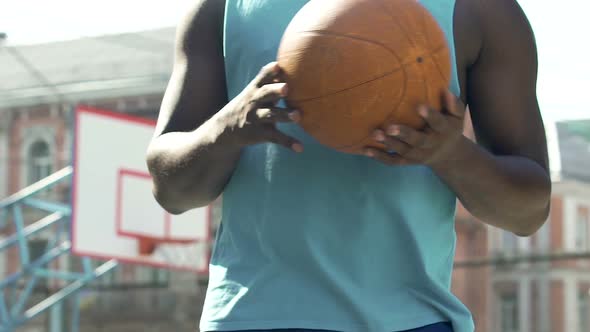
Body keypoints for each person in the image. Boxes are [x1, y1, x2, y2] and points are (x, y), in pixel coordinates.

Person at [146, 0, 551, 331]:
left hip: (413, 321)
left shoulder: (480, 11)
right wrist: (225, 129)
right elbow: (172, 191)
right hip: (254, 316)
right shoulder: (224, 8)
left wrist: (449, 153)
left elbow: (528, 212)